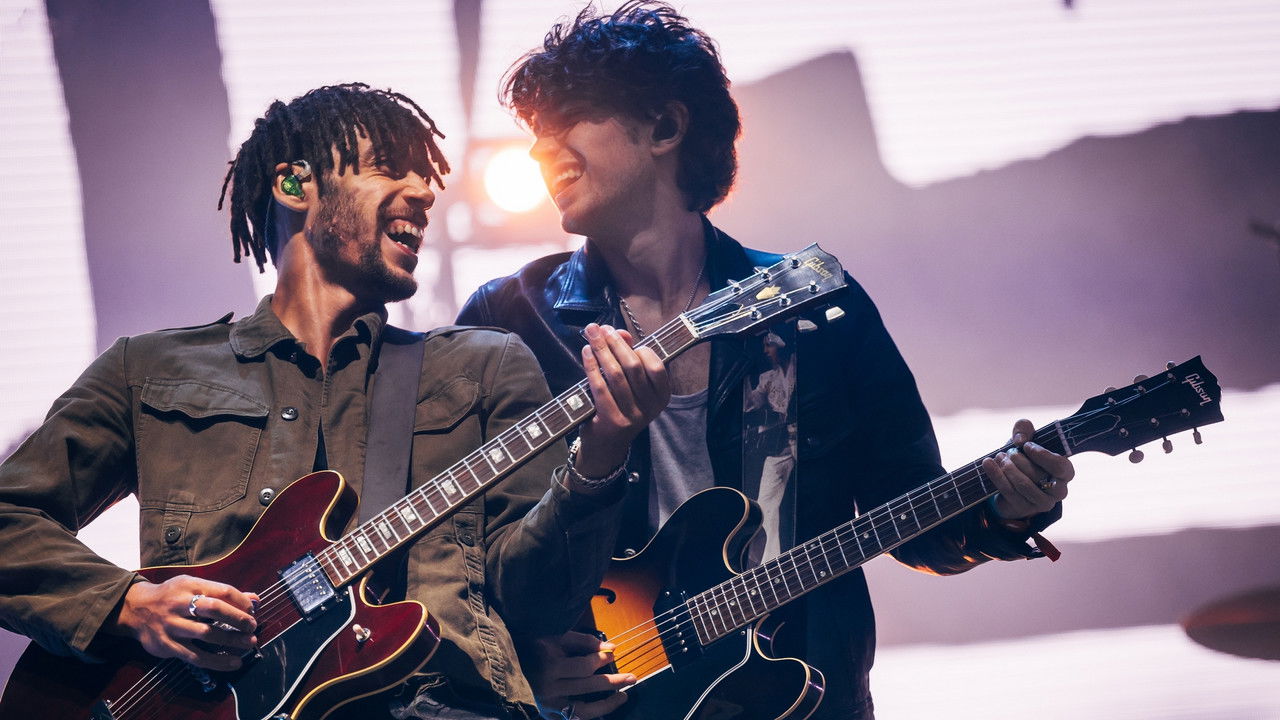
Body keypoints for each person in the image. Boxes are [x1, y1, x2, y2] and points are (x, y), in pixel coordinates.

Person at [456, 4, 1076, 719]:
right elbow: (453, 557)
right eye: (535, 134)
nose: (541, 151)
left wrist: (1008, 508)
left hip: (800, 699)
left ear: (665, 127)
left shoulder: (813, 311)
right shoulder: (511, 318)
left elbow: (917, 518)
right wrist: (516, 662)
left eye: (570, 119)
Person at [0, 83, 669, 720]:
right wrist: (130, 604)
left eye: (427, 179)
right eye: (390, 169)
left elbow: (540, 604)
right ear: (294, 185)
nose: (424, 194)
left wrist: (603, 453)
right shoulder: (149, 369)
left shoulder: (481, 366)